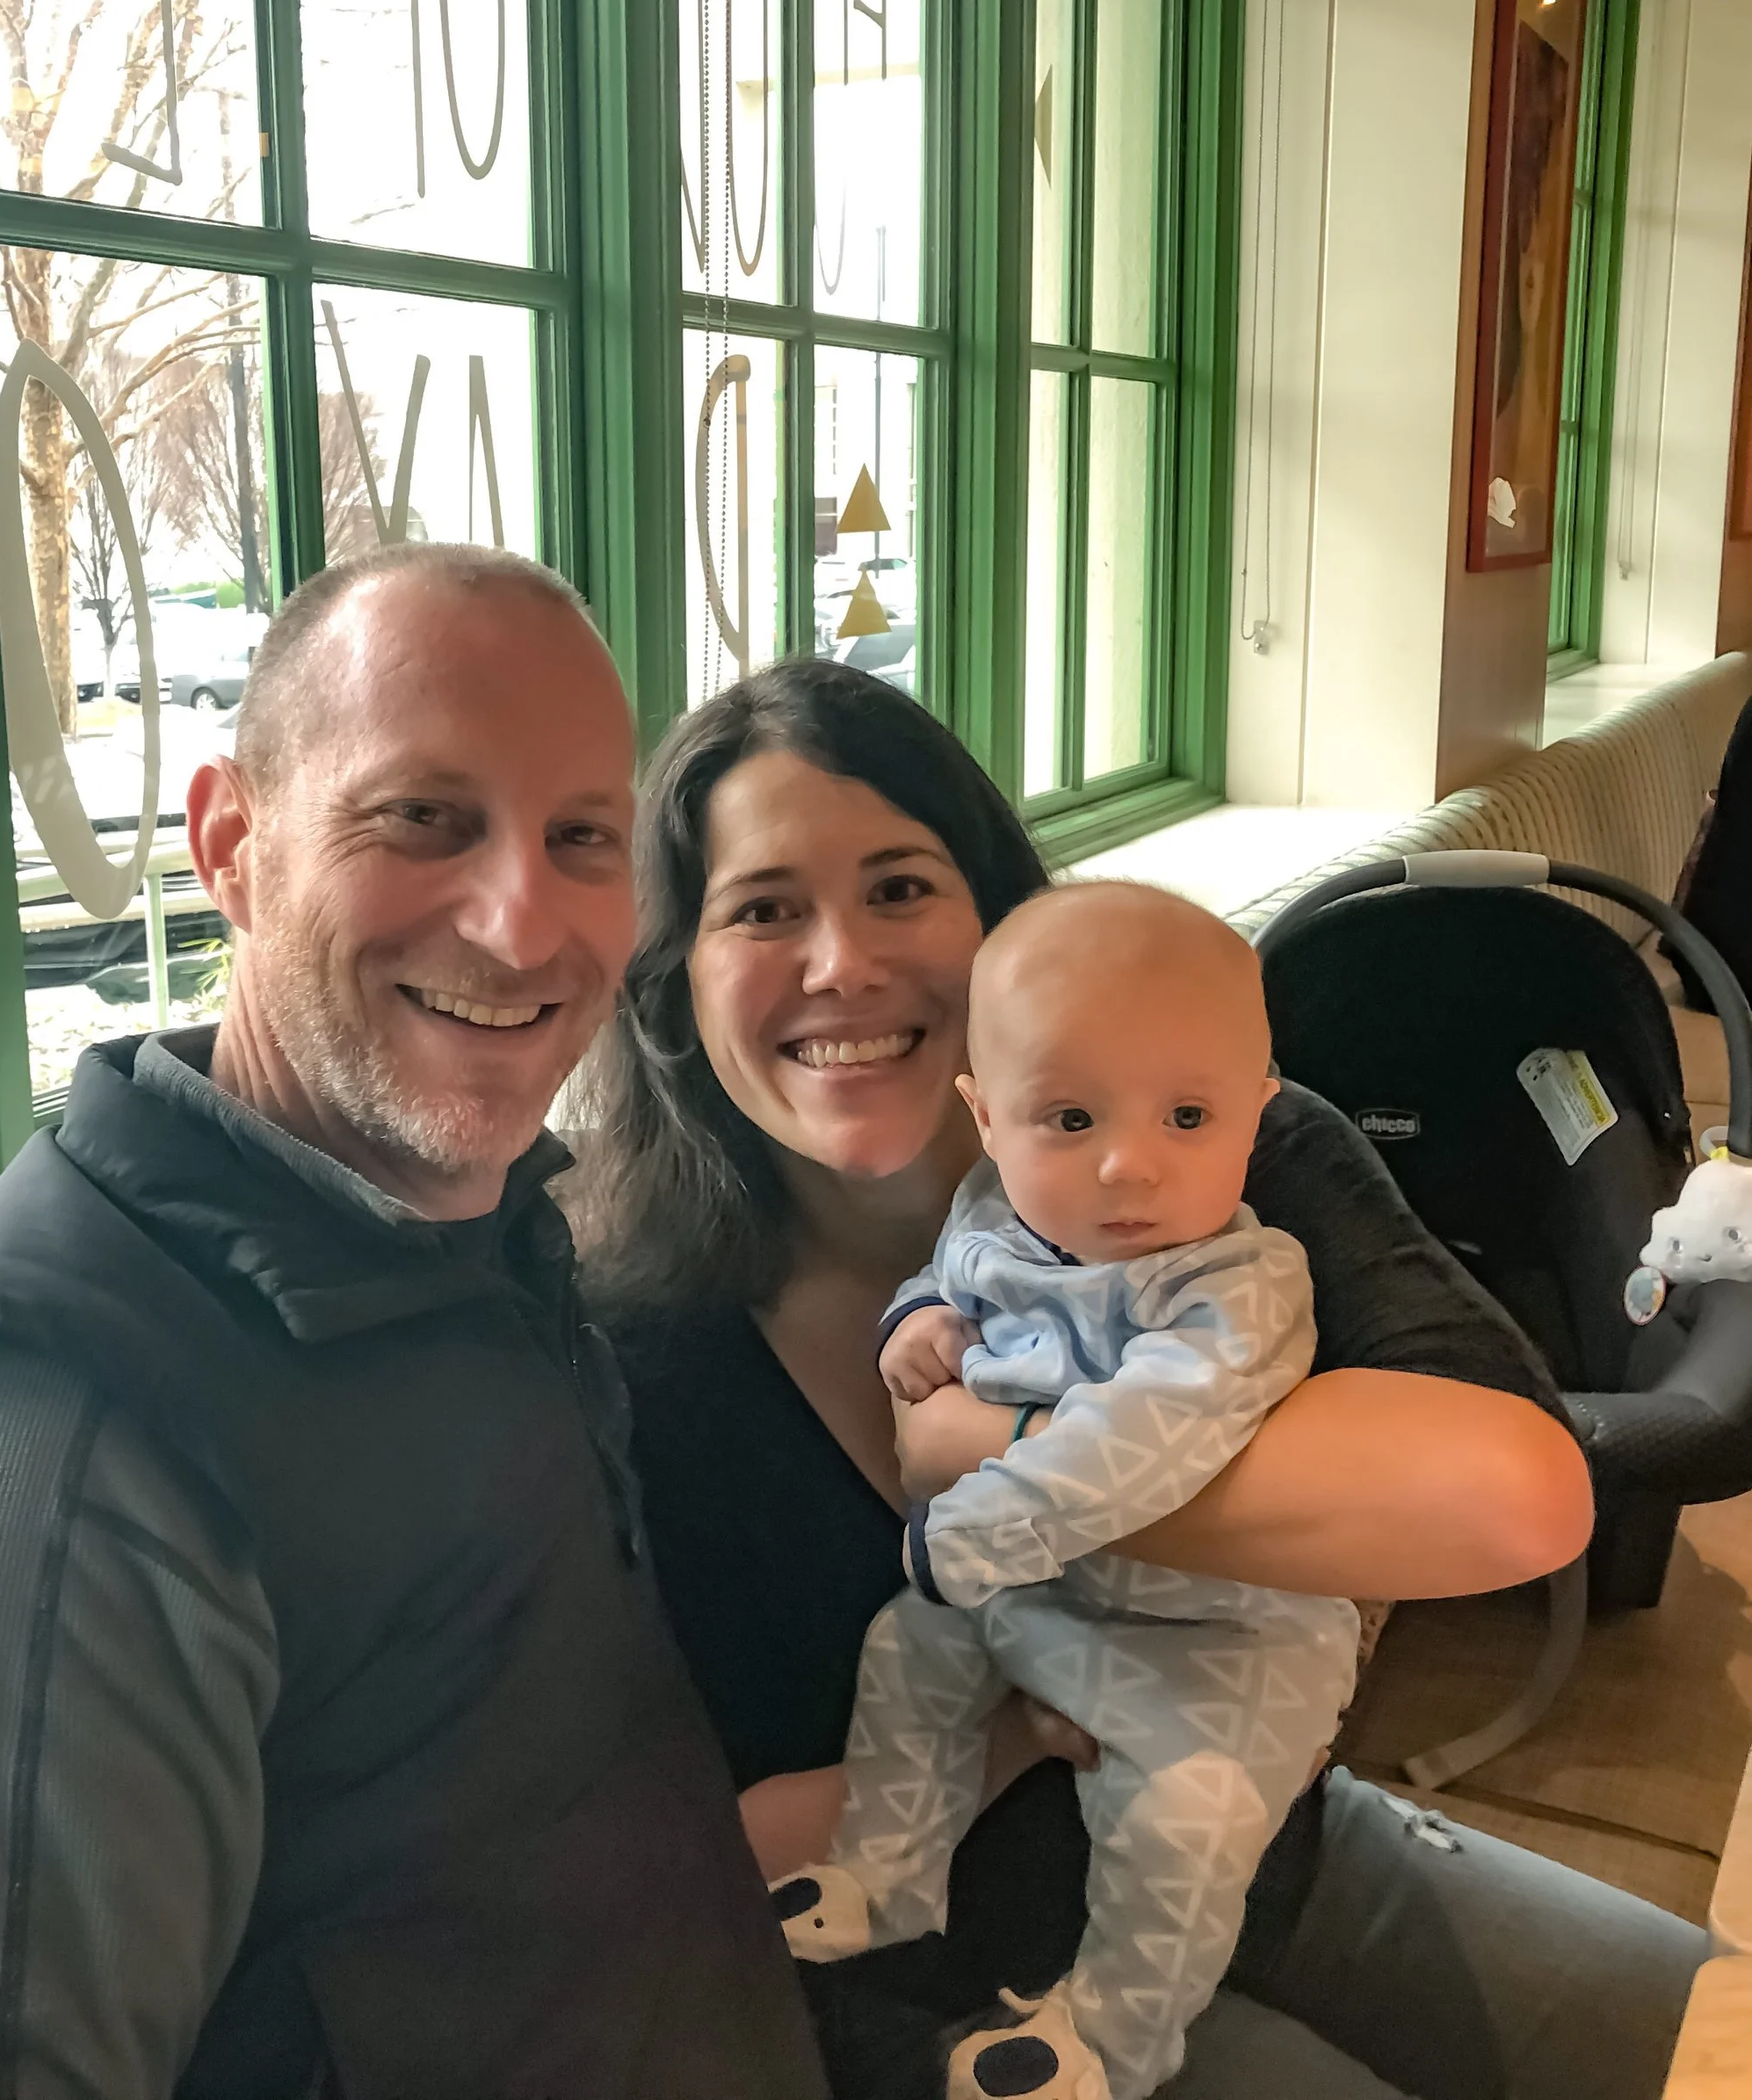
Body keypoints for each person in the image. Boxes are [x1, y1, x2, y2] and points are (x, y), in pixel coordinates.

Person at [0, 545, 828, 2100]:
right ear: (231, 843)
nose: (523, 925)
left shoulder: (478, 1242)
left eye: (582, 836)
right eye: (422, 821)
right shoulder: (53, 1455)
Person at [574, 655, 1706, 2100]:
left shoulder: (1217, 1140)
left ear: (1004, 925)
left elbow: (1518, 1492)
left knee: (1706, 2031)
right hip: (936, 1987)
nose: (841, 962)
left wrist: (987, 1450)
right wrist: (1020, 1729)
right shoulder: (625, 1339)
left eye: (903, 887)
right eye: (763, 910)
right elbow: (665, 1857)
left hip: (1274, 1847)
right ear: (676, 976)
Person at [775, 884, 1360, 2100]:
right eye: (1070, 1116)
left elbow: (1141, 1442)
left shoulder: (1237, 1288)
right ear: (986, 1118)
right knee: (908, 1652)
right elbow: (956, 1278)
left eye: (1190, 1115)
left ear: (1259, 1113)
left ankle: (1105, 2041)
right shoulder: (996, 1215)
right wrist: (918, 1322)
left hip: (1221, 1642)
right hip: (1046, 1607)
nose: (1128, 1163)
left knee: (1184, 1833)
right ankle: (885, 1877)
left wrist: (974, 1523)